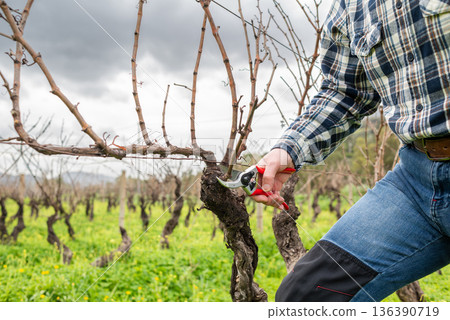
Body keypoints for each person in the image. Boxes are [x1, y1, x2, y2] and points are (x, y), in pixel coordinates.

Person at [252, 0, 450, 302]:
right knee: (307, 297)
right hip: (417, 180)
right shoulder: (350, 8)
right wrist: (288, 150)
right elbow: (345, 92)